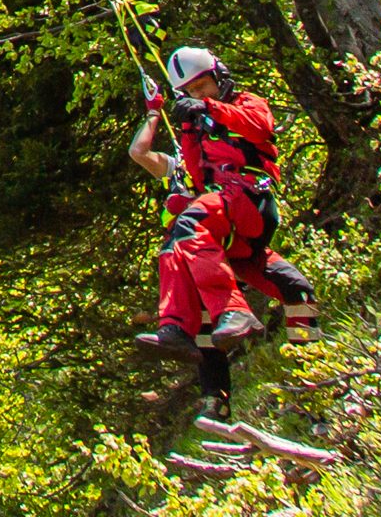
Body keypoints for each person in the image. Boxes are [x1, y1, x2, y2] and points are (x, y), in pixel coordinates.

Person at [130, 45, 317, 377]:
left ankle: (234, 312)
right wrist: (185, 126)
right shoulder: (197, 128)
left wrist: (209, 108)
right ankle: (308, 363)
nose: (199, 94)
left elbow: (259, 127)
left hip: (248, 201)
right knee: (295, 287)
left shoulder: (247, 103)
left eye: (203, 85)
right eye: (192, 91)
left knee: (189, 225)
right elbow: (197, 174)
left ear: (219, 77)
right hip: (226, 231)